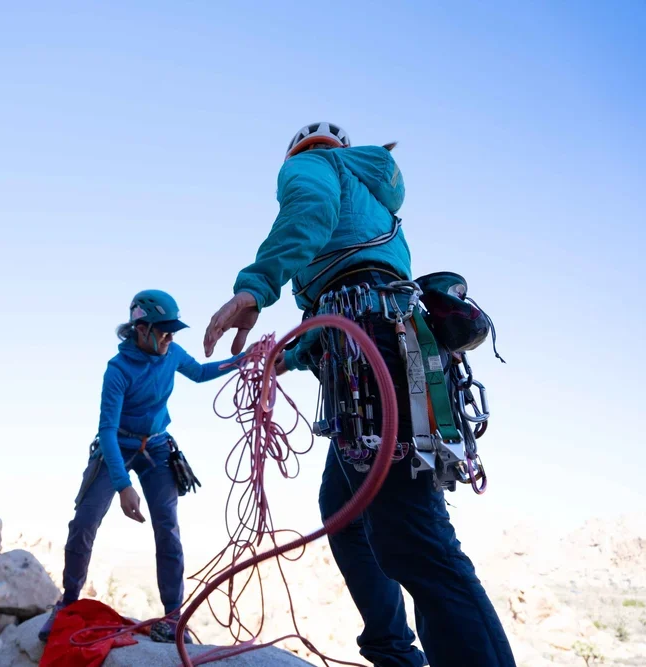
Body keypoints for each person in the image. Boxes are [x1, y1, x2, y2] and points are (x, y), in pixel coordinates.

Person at [202, 122, 516, 667]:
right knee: (343, 511)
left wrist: (256, 287)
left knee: (415, 540)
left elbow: (309, 213)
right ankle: (392, 652)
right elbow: (353, 291)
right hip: (382, 351)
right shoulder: (376, 202)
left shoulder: (312, 166)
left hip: (370, 359)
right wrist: (291, 357)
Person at [39, 289, 244, 644]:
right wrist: (123, 486)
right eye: (163, 329)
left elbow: (198, 372)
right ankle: (68, 602)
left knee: (168, 527)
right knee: (84, 522)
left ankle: (172, 616)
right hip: (116, 447)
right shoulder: (117, 371)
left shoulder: (172, 354)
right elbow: (106, 431)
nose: (170, 336)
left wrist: (246, 360)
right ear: (141, 328)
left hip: (158, 448)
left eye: (173, 330)